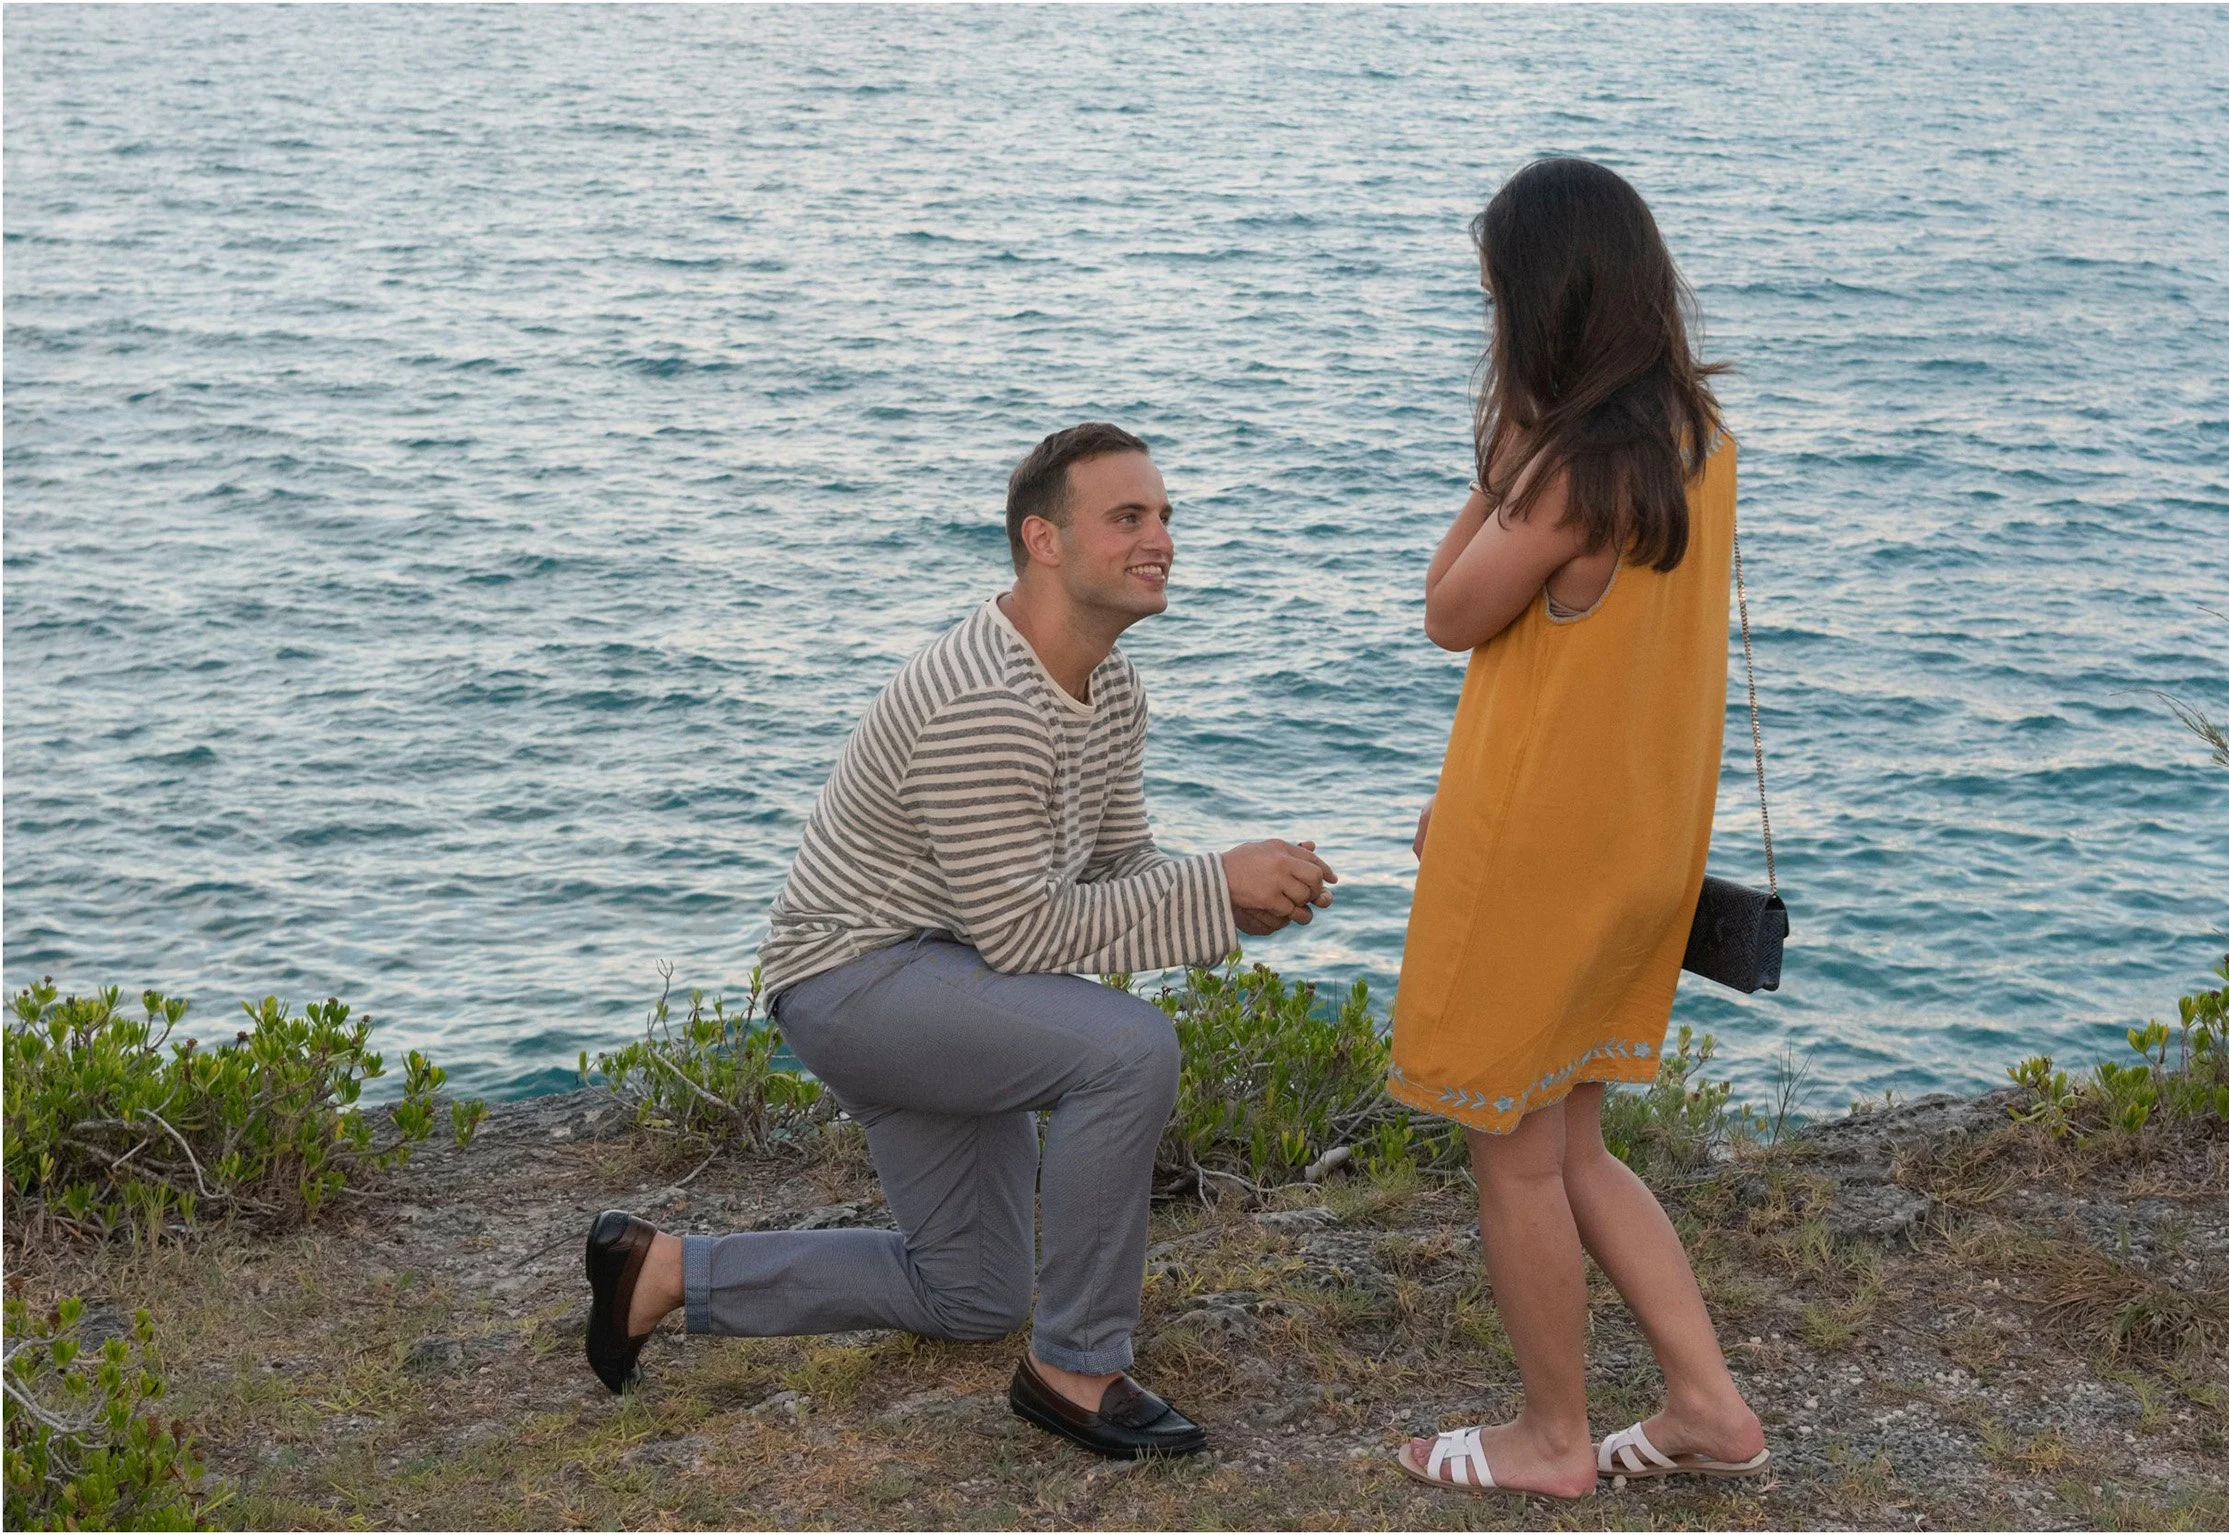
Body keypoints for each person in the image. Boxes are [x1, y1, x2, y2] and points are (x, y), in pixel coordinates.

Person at [580, 421, 1338, 1461]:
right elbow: (1029, 930)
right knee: (1128, 1048)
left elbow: (1114, 873)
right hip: (857, 977)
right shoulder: (985, 695)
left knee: (973, 1288)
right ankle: (1075, 1368)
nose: (1159, 537)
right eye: (1127, 516)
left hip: (946, 973)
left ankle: (665, 1271)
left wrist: (1232, 902)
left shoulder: (1109, 687)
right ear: (1044, 539)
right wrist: (1212, 887)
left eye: (1164, 515)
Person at [1387, 159, 1770, 1496]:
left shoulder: (1564, 469)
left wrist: (1509, 452)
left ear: (1540, 302)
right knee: (1574, 1139)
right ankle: (1707, 1401)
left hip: (1538, 856)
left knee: (1514, 1154)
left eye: (1498, 293)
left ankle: (1553, 1436)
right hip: (1637, 842)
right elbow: (1593, 665)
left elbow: (1448, 606)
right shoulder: (1693, 438)